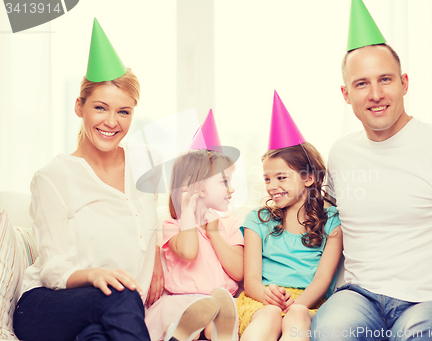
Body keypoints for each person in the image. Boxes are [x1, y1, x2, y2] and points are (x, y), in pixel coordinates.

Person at [311, 1, 432, 340]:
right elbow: (328, 217)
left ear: (404, 83)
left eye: (385, 79)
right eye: (361, 84)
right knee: (330, 330)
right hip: (360, 296)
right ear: (345, 93)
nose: (376, 94)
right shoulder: (341, 153)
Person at [13, 19, 163, 341]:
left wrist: (160, 263)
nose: (112, 121)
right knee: (121, 295)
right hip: (44, 306)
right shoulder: (53, 178)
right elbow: (53, 270)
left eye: (124, 112)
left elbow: (151, 227)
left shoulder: (147, 162)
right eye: (100, 107)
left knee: (99, 333)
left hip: (111, 311)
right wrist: (96, 275)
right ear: (79, 107)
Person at [237, 92, 343, 341]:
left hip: (308, 302)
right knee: (269, 315)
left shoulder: (331, 221)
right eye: (267, 178)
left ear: (308, 178)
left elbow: (323, 279)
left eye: (281, 177)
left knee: (296, 316)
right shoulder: (258, 220)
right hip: (263, 301)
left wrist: (296, 304)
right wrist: (268, 296)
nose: (272, 185)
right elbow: (251, 280)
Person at [145, 111, 243, 341]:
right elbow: (189, 252)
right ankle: (181, 332)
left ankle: (219, 333)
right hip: (182, 301)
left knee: (220, 317)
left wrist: (214, 234)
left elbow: (238, 271)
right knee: (185, 316)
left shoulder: (230, 224)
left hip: (222, 303)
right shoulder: (171, 225)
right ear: (197, 186)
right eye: (224, 181)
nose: (232, 189)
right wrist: (187, 210)